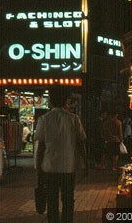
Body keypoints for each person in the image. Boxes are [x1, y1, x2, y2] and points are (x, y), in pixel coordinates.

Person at [34, 87, 87, 223]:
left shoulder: (44, 119)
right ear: (66, 101)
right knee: (68, 201)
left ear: (50, 101)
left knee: (52, 202)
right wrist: (85, 164)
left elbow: (41, 147)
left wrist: (38, 168)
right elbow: (81, 144)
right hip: (69, 168)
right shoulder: (74, 119)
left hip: (50, 168)